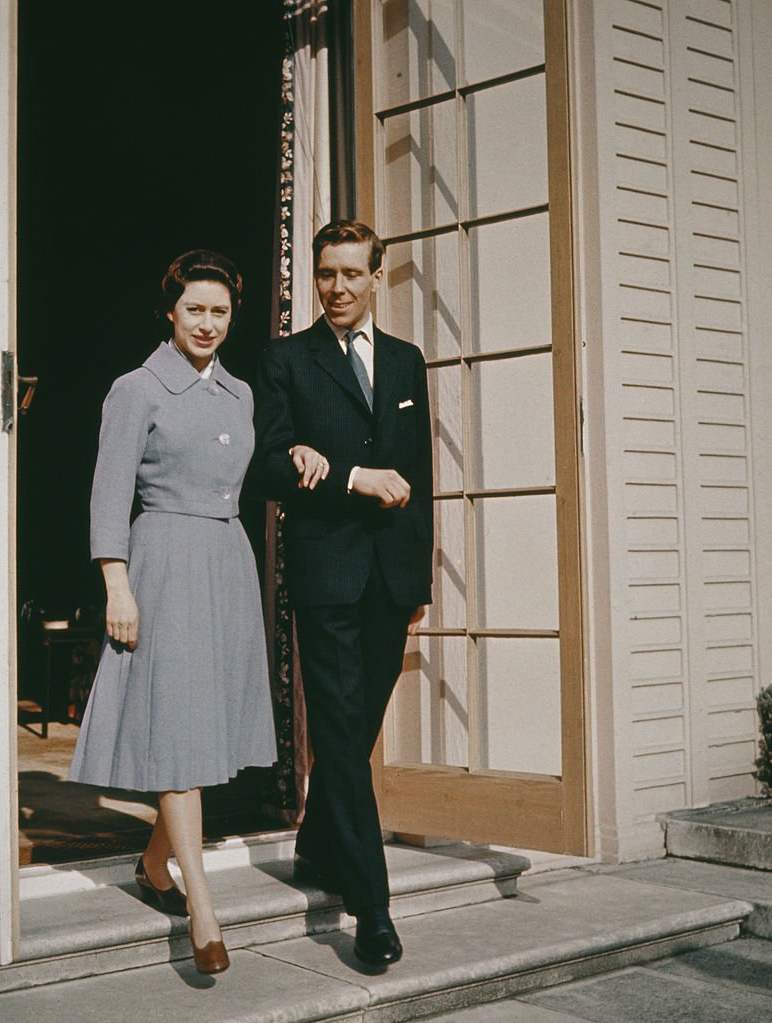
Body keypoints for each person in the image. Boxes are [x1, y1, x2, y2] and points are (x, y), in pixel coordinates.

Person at [69, 249, 277, 975]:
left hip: (226, 566)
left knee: (201, 733)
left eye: (220, 311)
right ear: (170, 310)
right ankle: (202, 907)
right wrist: (115, 585)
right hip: (160, 564)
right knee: (180, 736)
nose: (209, 323)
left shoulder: (241, 395)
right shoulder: (137, 388)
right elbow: (109, 493)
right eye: (196, 308)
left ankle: (154, 868)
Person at [252, 220, 434, 969]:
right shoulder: (286, 359)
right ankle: (373, 908)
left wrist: (417, 579)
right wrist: (345, 475)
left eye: (352, 274)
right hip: (325, 575)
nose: (336, 288)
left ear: (376, 275)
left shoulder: (405, 361)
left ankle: (317, 844)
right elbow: (265, 465)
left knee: (352, 735)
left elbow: (419, 476)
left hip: (389, 579)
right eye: (326, 273)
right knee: (341, 732)